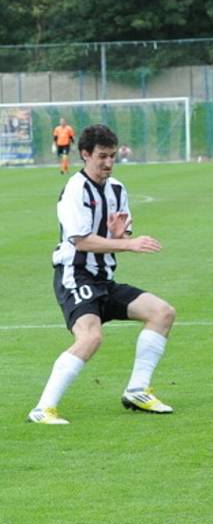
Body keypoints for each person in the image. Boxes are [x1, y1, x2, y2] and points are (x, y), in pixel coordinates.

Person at [28, 124, 176, 425]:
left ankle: (137, 390)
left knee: (162, 313)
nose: (108, 163)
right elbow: (81, 241)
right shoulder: (75, 190)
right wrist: (127, 243)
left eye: (112, 156)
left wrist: (121, 233)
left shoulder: (117, 188)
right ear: (85, 155)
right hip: (75, 276)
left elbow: (117, 231)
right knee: (91, 336)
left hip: (104, 279)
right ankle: (43, 409)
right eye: (102, 157)